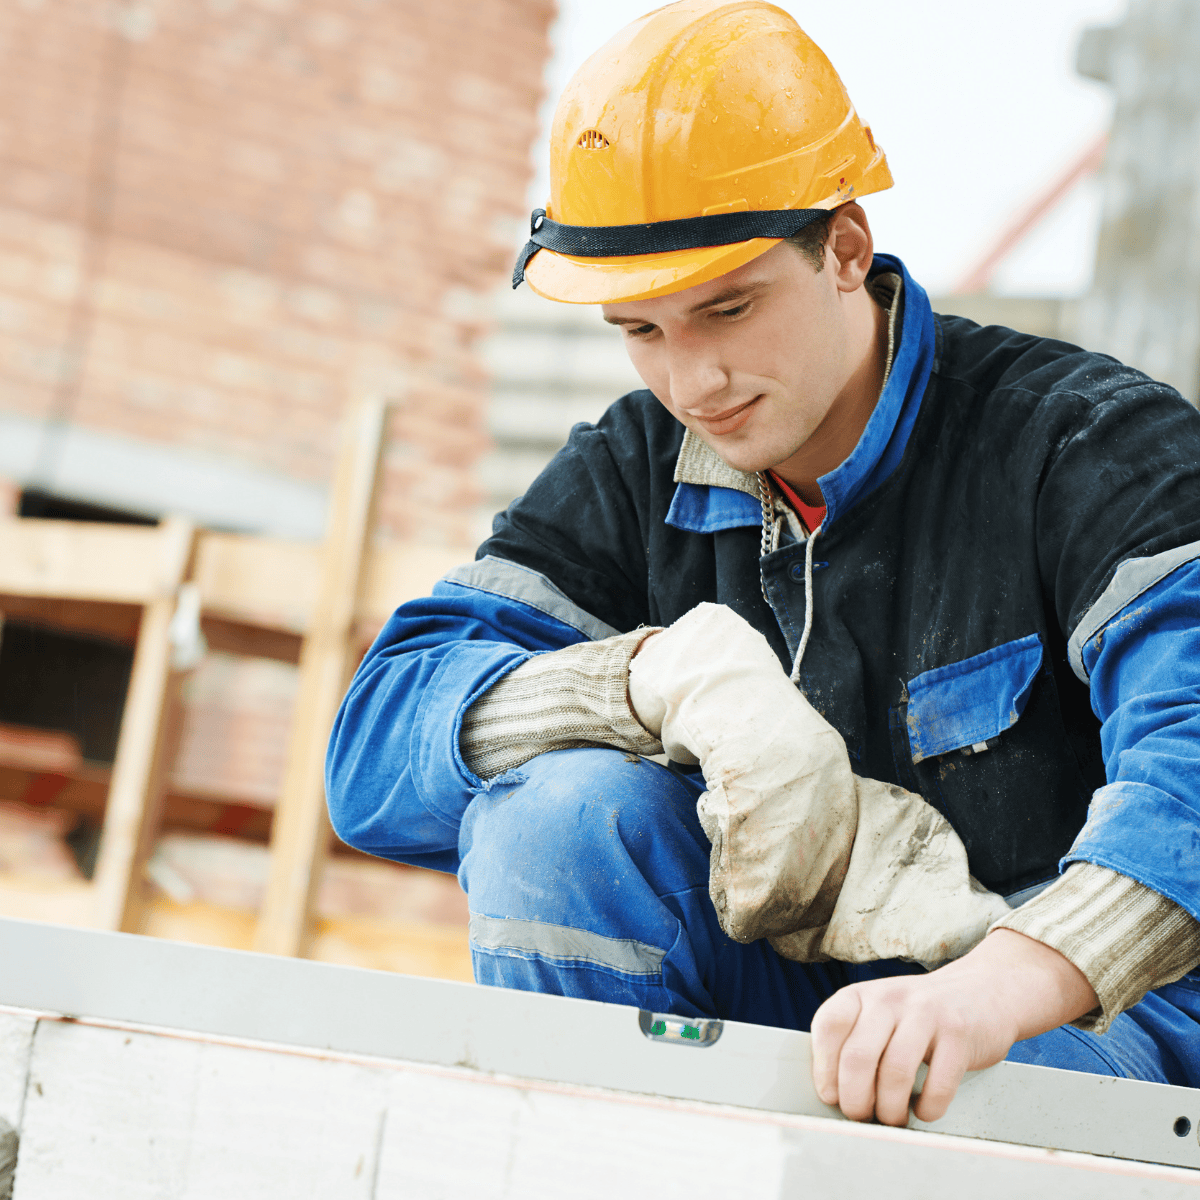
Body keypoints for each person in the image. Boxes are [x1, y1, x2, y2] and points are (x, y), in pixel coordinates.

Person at [326, 0, 1200, 1126]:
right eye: (643, 330)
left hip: (1076, 1038)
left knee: (961, 1090)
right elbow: (374, 751)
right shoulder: (640, 466)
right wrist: (641, 683)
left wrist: (994, 987)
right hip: (801, 1004)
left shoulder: (1082, 443)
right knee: (559, 819)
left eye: (728, 309)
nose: (692, 383)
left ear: (844, 246)